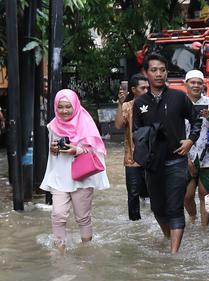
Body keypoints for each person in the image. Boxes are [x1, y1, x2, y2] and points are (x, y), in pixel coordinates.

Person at [133, 53, 202, 254]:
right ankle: (168, 235)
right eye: (154, 70)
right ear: (145, 73)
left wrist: (191, 140)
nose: (159, 74)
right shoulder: (139, 103)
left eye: (162, 70)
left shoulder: (179, 97)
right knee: (158, 208)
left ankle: (174, 255)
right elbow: (136, 133)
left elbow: (196, 119)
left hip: (176, 161)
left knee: (174, 207)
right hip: (152, 164)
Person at [40, 89, 110, 249]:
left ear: (76, 106)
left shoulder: (86, 124)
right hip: (59, 177)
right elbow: (53, 155)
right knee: (58, 214)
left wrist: (76, 150)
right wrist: (53, 149)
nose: (64, 111)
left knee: (83, 218)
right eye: (60, 107)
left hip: (82, 177)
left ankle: (86, 251)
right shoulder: (53, 126)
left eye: (68, 106)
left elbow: (97, 152)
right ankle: (59, 251)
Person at [183, 70, 209, 226]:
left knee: (205, 194)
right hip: (186, 155)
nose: (196, 85)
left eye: (199, 83)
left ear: (203, 85)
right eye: (192, 82)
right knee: (186, 196)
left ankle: (205, 228)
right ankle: (193, 218)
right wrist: (186, 160)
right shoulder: (180, 103)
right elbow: (173, 133)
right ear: (186, 84)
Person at [115, 74, 150, 221]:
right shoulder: (127, 106)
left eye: (148, 87)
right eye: (143, 88)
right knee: (133, 194)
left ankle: (155, 223)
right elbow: (118, 125)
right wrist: (120, 103)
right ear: (134, 89)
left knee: (154, 193)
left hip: (152, 157)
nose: (147, 90)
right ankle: (135, 225)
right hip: (132, 158)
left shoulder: (155, 105)